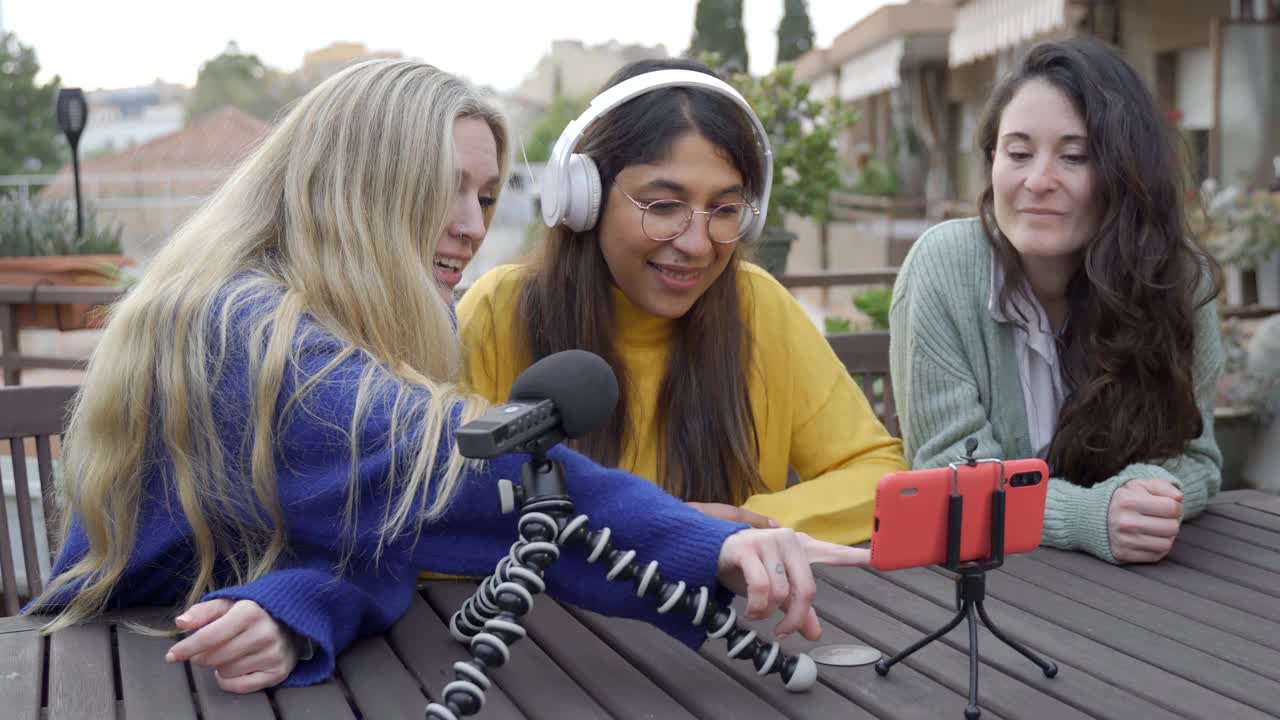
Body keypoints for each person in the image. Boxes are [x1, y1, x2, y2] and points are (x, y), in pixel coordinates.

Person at [24, 59, 870, 694]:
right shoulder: (242, 326)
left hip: (187, 662)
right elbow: (463, 475)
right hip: (101, 672)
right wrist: (707, 545)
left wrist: (296, 606)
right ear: (360, 187)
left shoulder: (344, 327)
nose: (472, 226)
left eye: (488, 195)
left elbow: (387, 536)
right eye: (447, 189)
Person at [457, 58, 905, 545]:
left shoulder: (758, 305)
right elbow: (438, 510)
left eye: (725, 209)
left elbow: (877, 476)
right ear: (584, 197)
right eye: (663, 206)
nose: (697, 244)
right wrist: (652, 531)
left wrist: (735, 528)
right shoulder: (498, 310)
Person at [890, 37, 1224, 565]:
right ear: (992, 161)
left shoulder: (1176, 281)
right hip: (991, 590)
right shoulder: (944, 267)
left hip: (1147, 600)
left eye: (1074, 157)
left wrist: (1143, 493)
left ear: (1125, 174)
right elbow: (950, 475)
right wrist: (1090, 515)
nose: (1038, 181)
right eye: (1018, 154)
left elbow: (1194, 455)